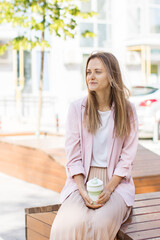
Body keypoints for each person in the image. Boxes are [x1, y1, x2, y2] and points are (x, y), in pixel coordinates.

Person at [50, 51, 138, 240]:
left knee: (100, 224)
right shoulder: (76, 108)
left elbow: (127, 157)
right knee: (65, 225)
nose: (91, 76)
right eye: (88, 72)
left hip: (116, 181)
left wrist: (109, 188)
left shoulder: (128, 110)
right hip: (82, 179)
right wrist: (82, 190)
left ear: (112, 75)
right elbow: (73, 157)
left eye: (97, 71)